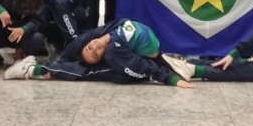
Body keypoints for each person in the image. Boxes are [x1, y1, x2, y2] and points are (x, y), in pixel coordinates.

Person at [18, 18, 195, 88]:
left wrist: (60, 61)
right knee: (85, 72)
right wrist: (171, 80)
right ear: (103, 58)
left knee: (186, 66)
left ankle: (38, 69)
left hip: (148, 53)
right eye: (95, 54)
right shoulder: (112, 53)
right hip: (130, 69)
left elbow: (81, 41)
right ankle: (33, 69)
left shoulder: (103, 34)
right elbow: (145, 67)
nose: (94, 47)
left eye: (89, 47)